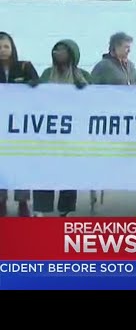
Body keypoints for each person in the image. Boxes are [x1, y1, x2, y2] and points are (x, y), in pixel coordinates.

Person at [33, 39, 91, 217]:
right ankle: (41, 208)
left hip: (72, 133)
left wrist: (86, 90)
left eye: (63, 50)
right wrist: (32, 87)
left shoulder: (83, 75)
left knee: (69, 170)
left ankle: (65, 209)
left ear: (72, 54)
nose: (58, 53)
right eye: (56, 49)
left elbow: (95, 100)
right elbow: (35, 100)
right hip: (48, 131)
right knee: (44, 169)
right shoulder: (47, 73)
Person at [0, 32, 39, 217]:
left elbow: (39, 85)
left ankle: (23, 202)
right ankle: (1, 201)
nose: (2, 50)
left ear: (12, 48)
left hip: (21, 126)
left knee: (20, 164)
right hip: (1, 126)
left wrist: (30, 85)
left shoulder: (25, 66)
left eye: (6, 46)